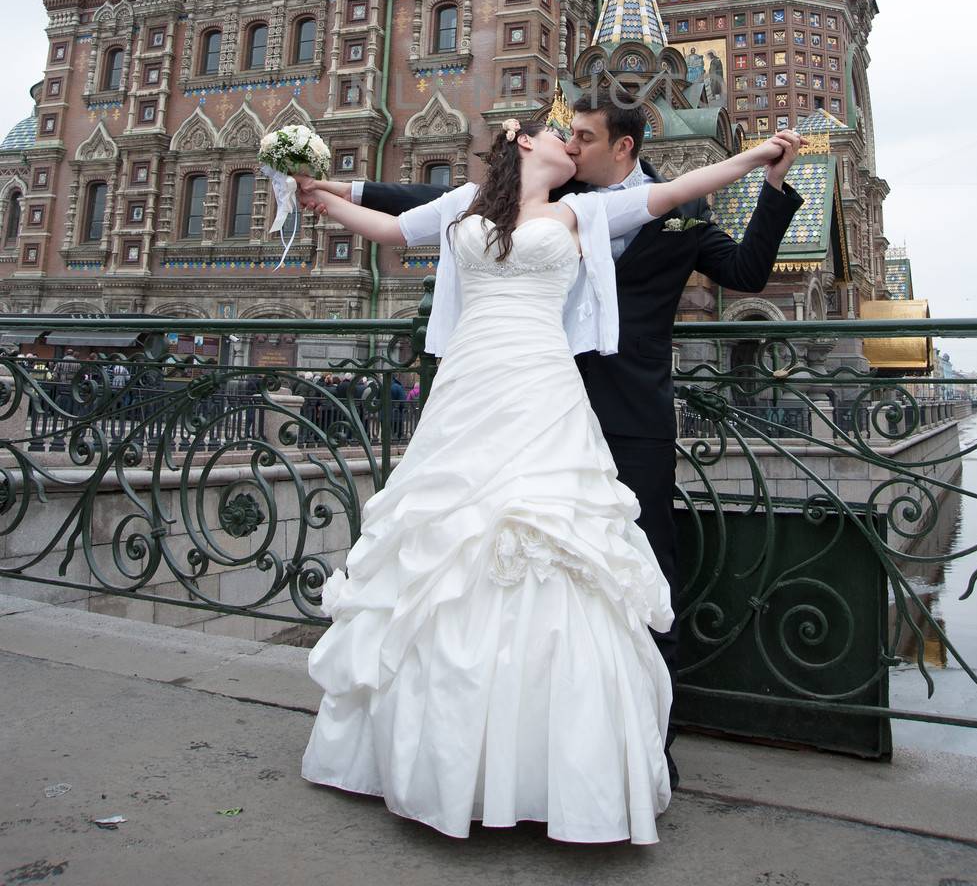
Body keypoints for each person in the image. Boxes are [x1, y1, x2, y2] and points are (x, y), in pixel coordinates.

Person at [296, 118, 803, 844]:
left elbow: (681, 192)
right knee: (448, 537)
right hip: (471, 386)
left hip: (547, 387)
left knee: (554, 543)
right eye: (558, 131)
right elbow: (395, 229)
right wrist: (325, 197)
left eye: (582, 132)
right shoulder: (472, 202)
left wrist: (756, 158)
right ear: (525, 145)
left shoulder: (582, 211)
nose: (571, 139)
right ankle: (443, 753)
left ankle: (582, 758)